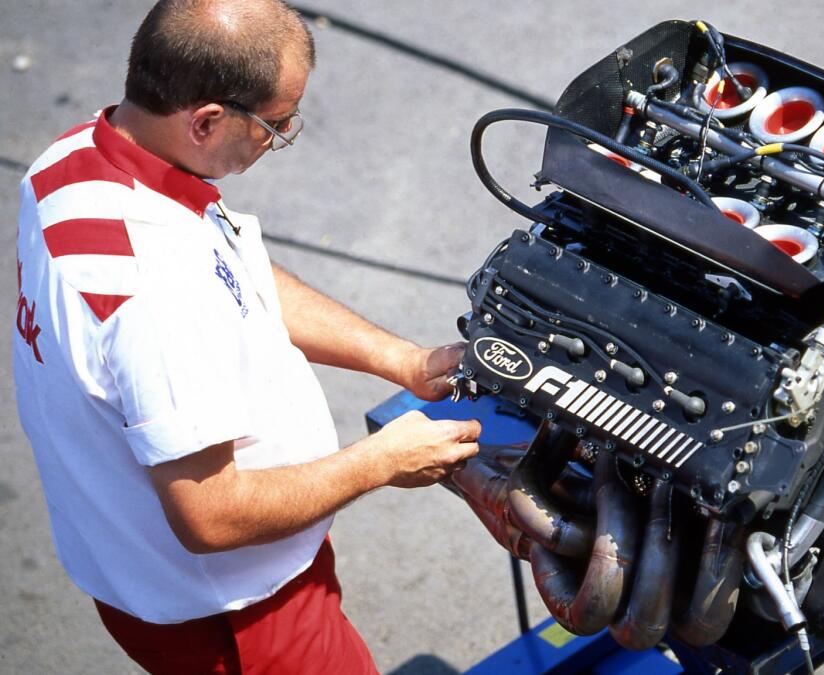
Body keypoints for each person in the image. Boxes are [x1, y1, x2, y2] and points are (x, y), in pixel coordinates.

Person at [12, 0, 480, 672]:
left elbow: (236, 271)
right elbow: (212, 515)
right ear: (205, 120)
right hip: (237, 614)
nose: (283, 135)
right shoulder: (154, 294)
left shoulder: (81, 158)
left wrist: (403, 360)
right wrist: (382, 460)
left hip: (161, 579)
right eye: (278, 123)